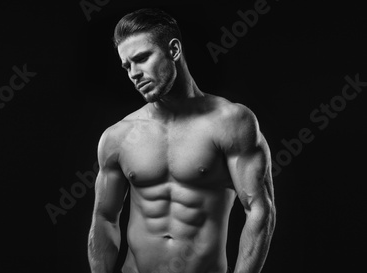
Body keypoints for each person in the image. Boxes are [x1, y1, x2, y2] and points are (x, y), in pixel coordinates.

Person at [88, 8, 276, 273]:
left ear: (174, 50)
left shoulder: (231, 122)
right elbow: (104, 218)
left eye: (142, 58)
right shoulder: (117, 136)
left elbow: (259, 210)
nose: (133, 73)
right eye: (127, 65)